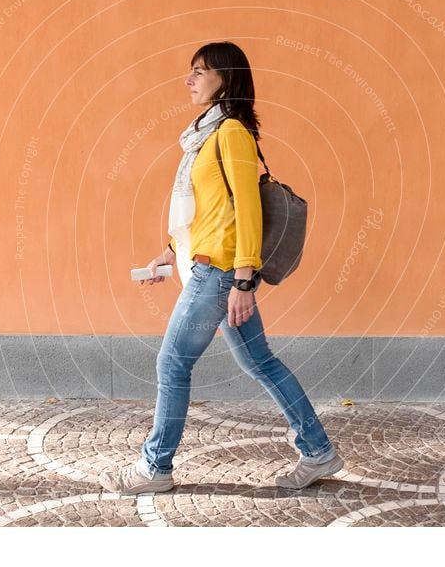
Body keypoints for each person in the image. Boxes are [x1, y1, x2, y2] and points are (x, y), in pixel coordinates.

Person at [99, 41, 343, 496]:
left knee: (172, 364)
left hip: (221, 274)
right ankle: (318, 450)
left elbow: (247, 211)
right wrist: (170, 252)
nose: (189, 80)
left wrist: (245, 279)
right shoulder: (204, 135)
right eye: (190, 72)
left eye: (199, 72)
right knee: (261, 362)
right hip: (207, 266)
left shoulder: (230, 133)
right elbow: (211, 210)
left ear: (225, 78)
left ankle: (155, 468)